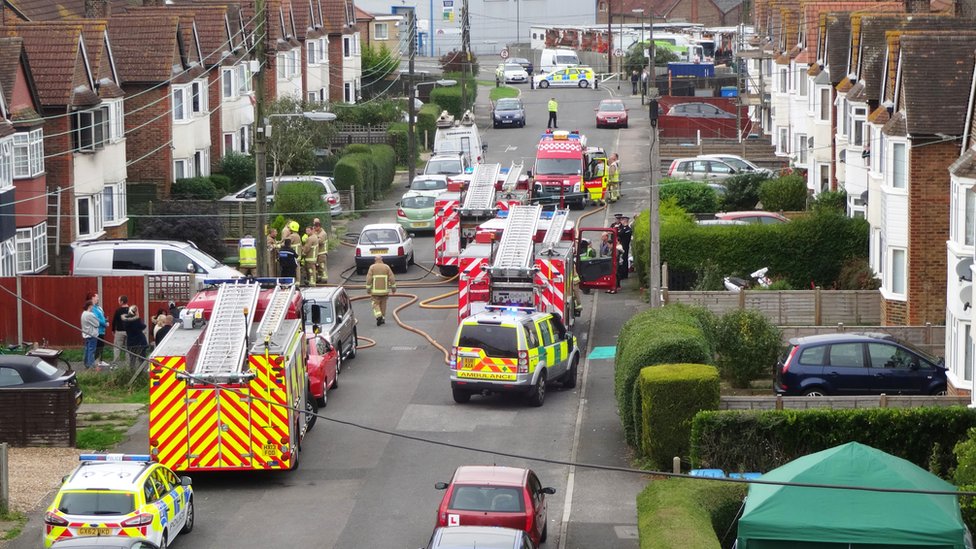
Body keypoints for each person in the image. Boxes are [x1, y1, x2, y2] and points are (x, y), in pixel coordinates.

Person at [366, 255, 396, 326]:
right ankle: (382, 318)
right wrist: (393, 289)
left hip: (375, 292)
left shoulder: (372, 267)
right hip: (384, 291)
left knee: (375, 304)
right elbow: (392, 278)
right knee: (383, 305)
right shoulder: (386, 267)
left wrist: (368, 289)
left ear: (375, 259)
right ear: (382, 259)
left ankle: (378, 316)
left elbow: (369, 279)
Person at [123, 305, 149, 370]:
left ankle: (132, 372)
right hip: (140, 341)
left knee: (132, 358)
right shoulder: (137, 319)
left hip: (131, 341)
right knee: (142, 358)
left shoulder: (126, 320)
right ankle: (141, 372)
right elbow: (143, 326)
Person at [87, 292, 109, 367]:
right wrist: (104, 324)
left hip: (102, 329)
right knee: (97, 346)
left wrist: (105, 320)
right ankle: (95, 361)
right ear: (92, 298)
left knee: (101, 345)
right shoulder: (92, 308)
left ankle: (100, 360)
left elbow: (101, 316)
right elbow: (96, 319)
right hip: (97, 330)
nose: (98, 298)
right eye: (97, 297)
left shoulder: (98, 307)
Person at [81, 300, 99, 369]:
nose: (93, 307)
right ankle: (91, 366)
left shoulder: (83, 313)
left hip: (86, 334)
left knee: (87, 349)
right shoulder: (90, 314)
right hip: (92, 334)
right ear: (90, 306)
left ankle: (86, 364)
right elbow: (97, 324)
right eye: (92, 306)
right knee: (92, 350)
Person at [111, 295, 129, 364]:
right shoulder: (131, 310)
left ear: (121, 301)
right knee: (128, 349)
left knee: (117, 348)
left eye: (119, 301)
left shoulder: (118, 311)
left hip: (119, 331)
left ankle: (115, 364)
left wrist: (113, 330)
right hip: (128, 331)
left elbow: (114, 321)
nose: (118, 302)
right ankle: (128, 365)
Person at [617, 215, 633, 281]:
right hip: (622, 245)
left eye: (622, 220)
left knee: (624, 260)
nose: (621, 221)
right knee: (622, 259)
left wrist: (623, 227)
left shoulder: (627, 229)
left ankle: (624, 274)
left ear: (625, 221)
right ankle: (622, 273)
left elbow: (621, 234)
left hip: (625, 246)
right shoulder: (622, 228)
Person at [314, 218, 329, 284]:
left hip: (322, 253)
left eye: (315, 227)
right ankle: (319, 278)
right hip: (318, 253)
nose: (314, 229)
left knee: (322, 267)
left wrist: (313, 236)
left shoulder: (323, 233)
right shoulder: (318, 232)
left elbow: (319, 241)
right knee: (318, 267)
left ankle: (324, 279)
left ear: (319, 227)